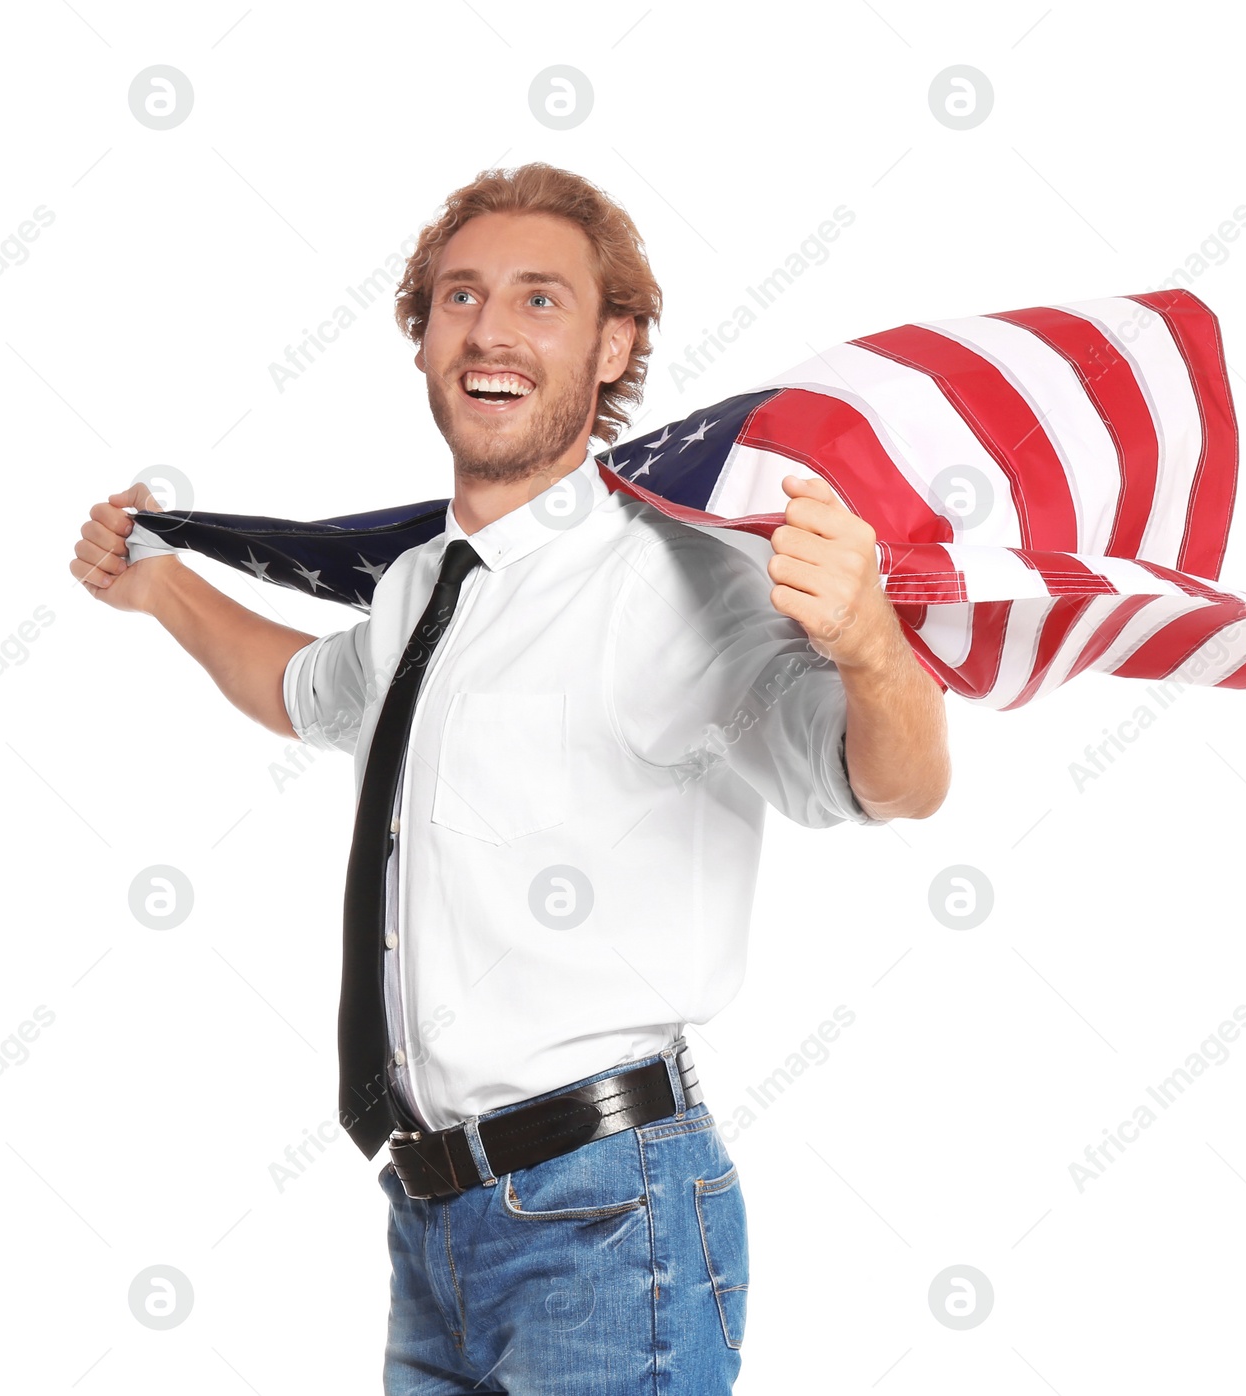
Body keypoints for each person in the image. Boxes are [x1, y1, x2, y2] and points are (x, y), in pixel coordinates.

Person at [69, 162, 950, 1394]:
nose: (490, 330)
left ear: (613, 346)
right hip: (428, 1224)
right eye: (460, 297)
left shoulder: (678, 574)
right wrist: (158, 584)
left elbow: (889, 784)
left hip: (608, 1222)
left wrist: (866, 647)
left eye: (542, 300)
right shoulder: (423, 586)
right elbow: (302, 687)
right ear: (424, 336)